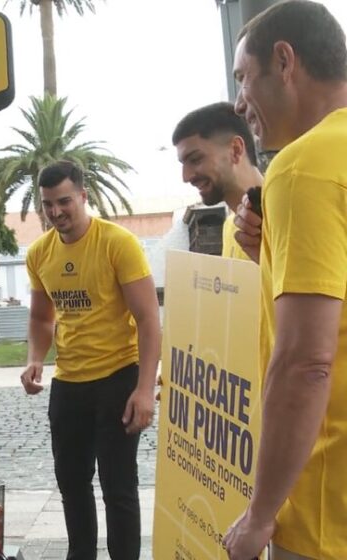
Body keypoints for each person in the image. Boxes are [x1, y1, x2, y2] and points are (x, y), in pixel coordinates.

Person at [223, 2, 347, 559]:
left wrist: (259, 515)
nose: (238, 102)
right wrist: (271, 256)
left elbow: (305, 361)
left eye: (244, 78)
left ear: (284, 61)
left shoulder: (303, 166)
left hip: (326, 508)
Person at [20, 160, 161, 560]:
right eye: (48, 204)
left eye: (65, 201)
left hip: (119, 376)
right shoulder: (39, 253)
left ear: (83, 196)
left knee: (118, 487)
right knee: (72, 483)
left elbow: (149, 319)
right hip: (69, 384)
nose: (56, 212)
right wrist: (35, 359)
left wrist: (145, 389)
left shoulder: (118, 243)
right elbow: (40, 316)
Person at [172, 101, 264, 260]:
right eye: (183, 164)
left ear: (236, 150)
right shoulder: (230, 227)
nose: (186, 177)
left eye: (195, 159)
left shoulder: (285, 213)